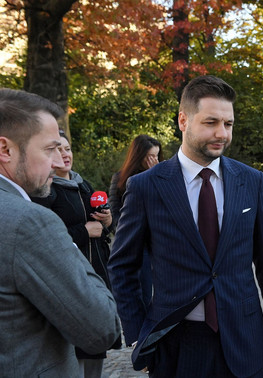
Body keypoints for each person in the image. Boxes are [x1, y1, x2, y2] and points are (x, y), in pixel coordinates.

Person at [108, 75, 263, 377]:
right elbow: (122, 266)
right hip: (174, 343)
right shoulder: (146, 186)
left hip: (243, 337)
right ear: (184, 120)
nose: (222, 133)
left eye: (228, 124)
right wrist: (137, 335)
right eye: (210, 123)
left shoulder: (251, 180)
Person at [0, 88, 121, 376]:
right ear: (6, 150)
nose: (58, 162)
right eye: (49, 149)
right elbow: (102, 328)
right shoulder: (29, 222)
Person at [32, 131, 121, 378]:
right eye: (57, 149)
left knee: (95, 351)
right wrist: (83, 231)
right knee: (76, 353)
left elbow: (101, 229)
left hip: (96, 274)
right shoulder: (45, 192)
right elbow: (44, 239)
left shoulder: (82, 184)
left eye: (68, 149)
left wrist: (107, 220)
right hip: (70, 278)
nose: (65, 154)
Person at [109, 134, 162, 305]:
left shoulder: (162, 176)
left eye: (157, 155)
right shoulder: (120, 178)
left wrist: (157, 175)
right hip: (135, 241)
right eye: (150, 156)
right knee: (141, 292)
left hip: (159, 240)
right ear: (139, 156)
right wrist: (127, 230)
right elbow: (114, 210)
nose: (154, 160)